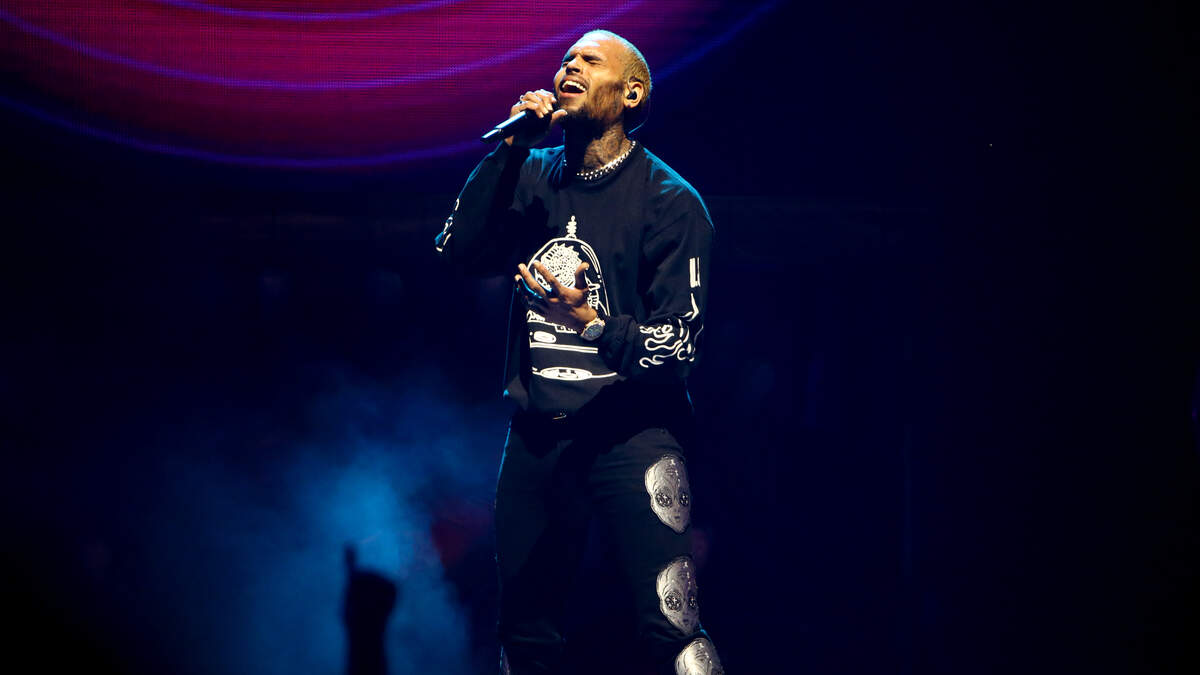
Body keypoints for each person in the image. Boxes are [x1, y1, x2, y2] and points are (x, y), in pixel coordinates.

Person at [435, 30, 722, 675]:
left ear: (631, 94)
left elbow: (678, 347)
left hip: (634, 434)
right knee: (524, 632)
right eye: (566, 59)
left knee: (670, 626)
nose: (571, 66)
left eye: (591, 61)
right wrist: (511, 148)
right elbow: (455, 251)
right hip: (539, 435)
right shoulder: (530, 173)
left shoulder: (672, 202)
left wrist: (593, 324)